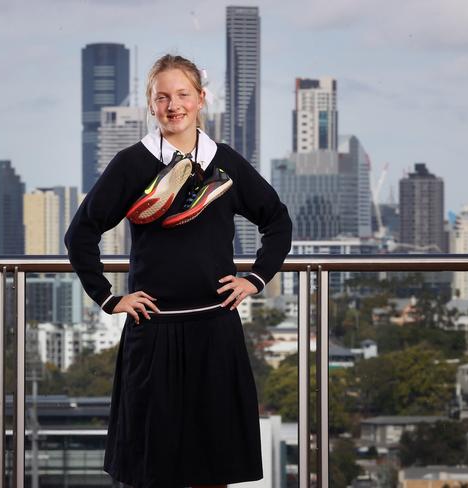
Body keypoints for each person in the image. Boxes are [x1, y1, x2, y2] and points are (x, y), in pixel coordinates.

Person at [65, 54, 292, 488]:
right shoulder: (133, 163)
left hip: (215, 328)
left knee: (214, 468)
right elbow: (81, 234)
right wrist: (110, 298)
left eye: (183, 95)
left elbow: (277, 221)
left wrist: (255, 278)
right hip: (153, 331)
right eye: (162, 97)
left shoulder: (224, 161)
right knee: (153, 470)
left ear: (201, 99)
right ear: (151, 105)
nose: (174, 105)